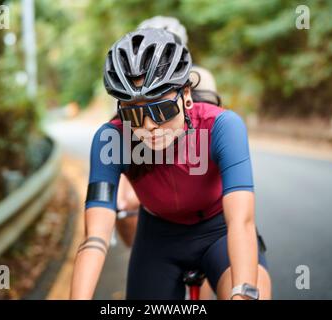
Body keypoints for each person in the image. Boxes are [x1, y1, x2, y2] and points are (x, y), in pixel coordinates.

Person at [70, 28, 272, 300]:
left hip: (219, 230)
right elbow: (95, 238)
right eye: (134, 114)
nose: (150, 126)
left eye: (162, 110)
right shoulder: (112, 139)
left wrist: (244, 293)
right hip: (158, 238)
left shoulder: (222, 126)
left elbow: (241, 222)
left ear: (186, 94)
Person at [115, 16, 222, 299]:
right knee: (124, 203)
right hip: (150, 165)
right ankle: (146, 258)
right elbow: (121, 131)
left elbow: (210, 127)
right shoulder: (131, 82)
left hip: (196, 162)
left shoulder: (201, 78)